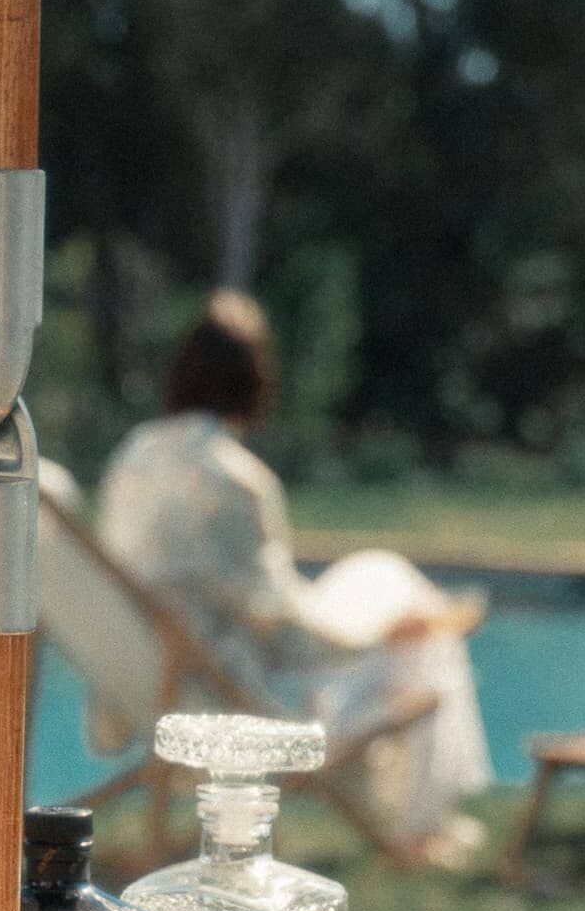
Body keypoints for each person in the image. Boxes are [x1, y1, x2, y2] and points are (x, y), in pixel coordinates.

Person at [97, 292, 492, 864]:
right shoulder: (234, 482)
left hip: (159, 678)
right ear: (255, 378)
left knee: (385, 576)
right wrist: (382, 630)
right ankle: (420, 828)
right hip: (238, 700)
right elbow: (284, 634)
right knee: (422, 634)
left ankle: (418, 819)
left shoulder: (135, 455)